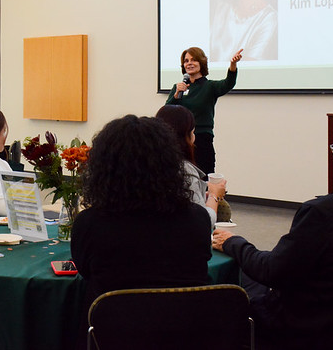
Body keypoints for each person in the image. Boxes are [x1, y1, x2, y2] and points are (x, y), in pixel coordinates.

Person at [212, 117, 333, 350]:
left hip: (311, 331)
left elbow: (272, 271)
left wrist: (233, 243)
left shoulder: (321, 214)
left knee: (237, 285)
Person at [71, 115, 211, 323]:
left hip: (113, 333)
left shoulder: (89, 224)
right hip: (187, 331)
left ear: (103, 169)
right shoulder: (197, 219)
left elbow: (85, 272)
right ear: (171, 164)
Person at [165, 46, 242, 176]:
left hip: (202, 140)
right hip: (180, 140)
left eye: (193, 60)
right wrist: (177, 93)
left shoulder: (210, 87)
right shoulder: (178, 87)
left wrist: (233, 65)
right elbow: (167, 112)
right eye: (186, 61)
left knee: (204, 179)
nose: (189, 63)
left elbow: (228, 83)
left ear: (201, 62)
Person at [155, 105, 226, 230]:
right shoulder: (184, 170)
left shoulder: (147, 165)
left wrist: (202, 195)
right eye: (192, 132)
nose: (194, 138)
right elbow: (203, 222)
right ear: (184, 137)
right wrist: (214, 195)